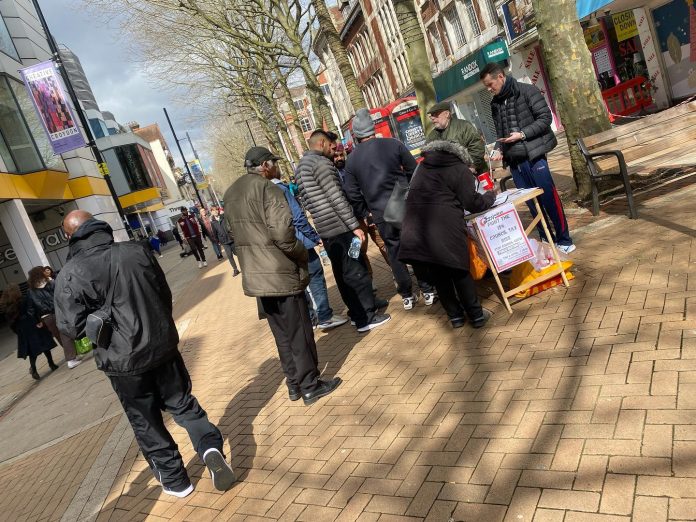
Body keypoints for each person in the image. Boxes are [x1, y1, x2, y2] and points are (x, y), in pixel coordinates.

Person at [54, 210, 235, 497]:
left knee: (146, 421)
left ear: (68, 236)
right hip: (161, 347)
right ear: (97, 226)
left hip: (121, 362)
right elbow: (163, 294)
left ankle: (177, 481)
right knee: (183, 405)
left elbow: (71, 328)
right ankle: (209, 446)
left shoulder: (69, 273)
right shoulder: (136, 251)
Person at [224, 146, 342, 405]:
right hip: (280, 274)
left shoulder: (231, 193)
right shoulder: (270, 190)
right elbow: (284, 236)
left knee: (282, 335)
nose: (276, 168)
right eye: (274, 163)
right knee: (299, 331)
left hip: (257, 276)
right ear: (265, 165)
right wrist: (302, 251)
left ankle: (294, 385)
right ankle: (310, 385)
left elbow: (231, 236)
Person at [296, 130, 391, 333]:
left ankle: (357, 315)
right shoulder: (322, 164)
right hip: (342, 229)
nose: (334, 150)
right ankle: (368, 316)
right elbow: (336, 198)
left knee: (342, 275)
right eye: (332, 146)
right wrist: (354, 226)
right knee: (356, 270)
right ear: (321, 143)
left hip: (327, 231)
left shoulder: (301, 168)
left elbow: (307, 202)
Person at [344, 108, 438, 310]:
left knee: (394, 252)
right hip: (403, 204)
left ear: (356, 134)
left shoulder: (352, 160)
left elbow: (351, 192)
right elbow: (414, 170)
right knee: (414, 246)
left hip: (379, 212)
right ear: (372, 128)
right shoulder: (393, 144)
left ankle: (407, 295)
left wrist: (364, 211)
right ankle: (428, 290)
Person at [480, 62, 575, 254]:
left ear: (500, 77)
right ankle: (547, 239)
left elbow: (545, 118)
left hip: (534, 156)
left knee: (549, 198)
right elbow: (501, 131)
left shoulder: (527, 91)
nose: (489, 90)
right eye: (486, 87)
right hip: (515, 161)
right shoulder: (495, 104)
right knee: (532, 204)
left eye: (491, 84)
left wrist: (522, 134)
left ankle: (565, 240)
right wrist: (499, 147)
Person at [399, 140, 494, 329]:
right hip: (444, 227)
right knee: (459, 270)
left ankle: (456, 317)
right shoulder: (458, 169)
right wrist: (491, 196)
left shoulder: (423, 166)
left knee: (439, 274)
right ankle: (476, 316)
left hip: (418, 229)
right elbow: (473, 202)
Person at [269, 168, 347, 331]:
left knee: (299, 282)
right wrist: (314, 237)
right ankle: (324, 316)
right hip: (301, 242)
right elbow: (298, 218)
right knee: (315, 277)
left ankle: (311, 317)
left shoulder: (262, 194)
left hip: (282, 247)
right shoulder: (282, 189)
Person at [335, 141, 390, 271]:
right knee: (359, 250)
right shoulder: (333, 174)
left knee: (383, 242)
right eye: (336, 156)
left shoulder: (352, 167)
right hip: (354, 219)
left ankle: (397, 270)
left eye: (341, 155)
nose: (339, 158)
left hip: (369, 213)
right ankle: (368, 280)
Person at [26, 266, 81, 369]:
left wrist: (37, 321)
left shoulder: (30, 291)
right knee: (65, 334)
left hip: (46, 317)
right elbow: (62, 294)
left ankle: (73, 356)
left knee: (60, 336)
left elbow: (30, 309)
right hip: (58, 312)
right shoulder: (51, 283)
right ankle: (71, 359)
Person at [1, 284, 58, 380]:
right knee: (45, 345)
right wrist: (39, 321)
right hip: (32, 324)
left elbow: (10, 322)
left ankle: (34, 369)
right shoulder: (24, 299)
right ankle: (51, 364)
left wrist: (17, 331)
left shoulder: (8, 306)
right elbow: (33, 310)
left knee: (32, 351)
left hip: (23, 329)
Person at [426, 101, 488, 174]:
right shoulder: (432, 136)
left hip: (474, 173)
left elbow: (477, 147)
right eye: (431, 116)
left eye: (436, 115)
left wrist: (472, 166)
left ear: (447, 114)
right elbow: (429, 157)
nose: (433, 118)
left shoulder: (464, 126)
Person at [209, 207, 241, 277]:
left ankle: (244, 265)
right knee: (229, 256)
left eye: (216, 210)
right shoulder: (213, 222)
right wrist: (218, 241)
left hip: (231, 239)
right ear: (211, 213)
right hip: (224, 241)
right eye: (213, 211)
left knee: (237, 253)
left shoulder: (223, 217)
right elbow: (214, 233)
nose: (215, 212)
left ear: (218, 211)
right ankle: (235, 269)